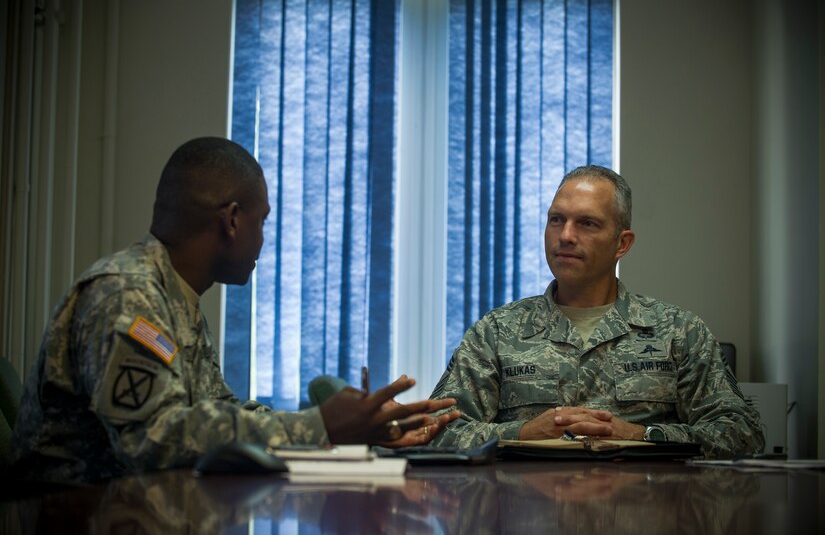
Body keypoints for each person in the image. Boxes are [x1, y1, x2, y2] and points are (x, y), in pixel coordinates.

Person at [10, 137, 459, 483]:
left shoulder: (175, 300)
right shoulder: (127, 295)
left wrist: (356, 427)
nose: (263, 239)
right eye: (261, 221)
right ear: (230, 220)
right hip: (66, 515)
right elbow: (154, 439)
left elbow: (220, 411)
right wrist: (319, 425)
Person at [428, 165, 763, 458]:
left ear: (622, 243)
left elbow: (741, 434)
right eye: (556, 220)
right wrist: (524, 434)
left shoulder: (677, 331)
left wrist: (639, 437)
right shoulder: (497, 332)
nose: (566, 236)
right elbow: (437, 433)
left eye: (587, 223)